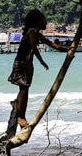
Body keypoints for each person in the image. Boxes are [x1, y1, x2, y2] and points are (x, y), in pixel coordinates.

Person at [6, 9, 63, 138]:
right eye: (44, 20)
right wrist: (43, 62)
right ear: (37, 21)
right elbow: (34, 48)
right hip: (22, 63)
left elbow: (50, 44)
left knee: (25, 89)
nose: (46, 22)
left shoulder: (37, 33)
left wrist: (67, 49)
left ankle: (20, 111)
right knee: (23, 90)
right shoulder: (32, 33)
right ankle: (20, 116)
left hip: (27, 65)